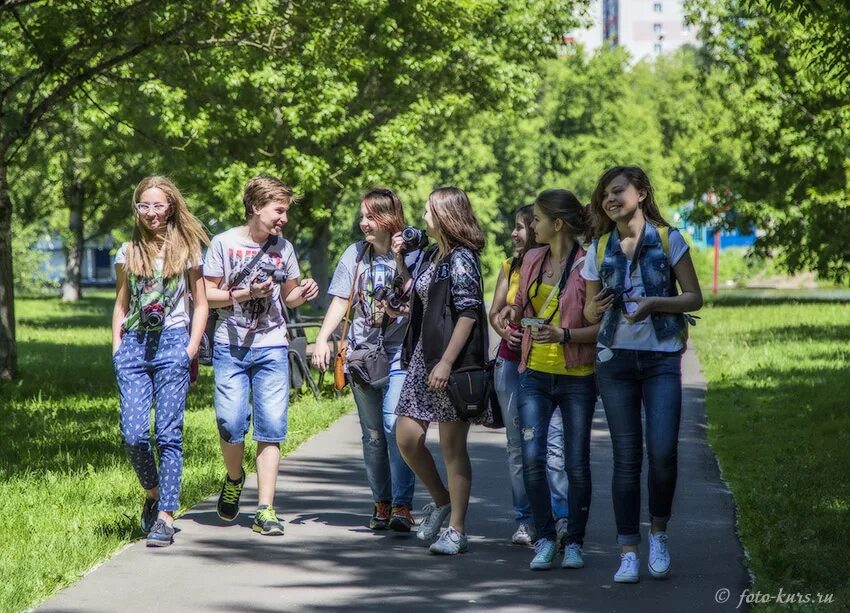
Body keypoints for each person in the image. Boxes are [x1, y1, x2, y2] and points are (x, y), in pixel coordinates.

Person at [582, 166, 703, 583]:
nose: (610, 200)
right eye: (604, 196)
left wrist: (654, 303)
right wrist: (595, 309)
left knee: (664, 452)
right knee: (626, 459)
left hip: (661, 359)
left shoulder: (668, 239)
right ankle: (628, 549)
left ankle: (659, 533)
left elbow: (694, 295)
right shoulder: (597, 249)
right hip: (615, 359)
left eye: (618, 192)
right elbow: (587, 311)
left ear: (641, 193)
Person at [203, 175, 319, 536]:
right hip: (231, 345)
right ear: (256, 207)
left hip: (271, 344)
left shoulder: (284, 247)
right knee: (230, 422)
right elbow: (208, 295)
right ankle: (235, 478)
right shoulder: (223, 243)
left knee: (271, 426)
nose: (283, 218)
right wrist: (245, 292)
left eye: (286, 211)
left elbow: (289, 297)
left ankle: (266, 509)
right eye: (278, 210)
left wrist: (304, 292)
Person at [498, 189, 599, 570]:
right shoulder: (532, 259)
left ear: (557, 224)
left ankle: (574, 541)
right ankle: (544, 538)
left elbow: (600, 326)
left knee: (575, 464)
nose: (531, 226)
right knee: (532, 458)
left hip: (577, 376)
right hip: (534, 373)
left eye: (537, 219)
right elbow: (522, 307)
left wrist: (565, 335)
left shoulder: (588, 264)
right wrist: (511, 313)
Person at [312, 188, 420, 532]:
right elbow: (341, 300)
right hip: (362, 355)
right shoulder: (355, 255)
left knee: (393, 426)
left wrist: (402, 260)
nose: (363, 223)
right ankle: (382, 502)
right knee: (372, 434)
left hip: (401, 352)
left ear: (390, 219)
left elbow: (424, 301)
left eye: (370, 217)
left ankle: (403, 505)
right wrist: (322, 337)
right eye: (362, 216)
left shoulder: (414, 254)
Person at [112, 175, 209, 547]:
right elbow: (121, 304)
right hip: (134, 346)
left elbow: (200, 304)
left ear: (171, 207)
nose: (151, 213)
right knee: (134, 434)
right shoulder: (128, 251)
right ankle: (152, 492)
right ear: (136, 208)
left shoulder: (187, 250)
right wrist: (117, 348)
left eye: (158, 205)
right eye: (144, 205)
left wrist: (191, 348)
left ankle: (167, 514)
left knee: (168, 433)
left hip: (172, 345)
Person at [393, 186, 488, 555]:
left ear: (447, 215)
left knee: (452, 447)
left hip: (451, 361)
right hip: (423, 357)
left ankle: (457, 530)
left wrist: (447, 362)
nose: (423, 216)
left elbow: (468, 313)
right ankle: (442, 500)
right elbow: (410, 292)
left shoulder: (462, 258)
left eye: (429, 210)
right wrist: (402, 261)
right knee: (406, 436)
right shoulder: (435, 254)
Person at [488, 204, 570, 547]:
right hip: (510, 363)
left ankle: (560, 516)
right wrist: (505, 331)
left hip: (549, 364)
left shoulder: (565, 266)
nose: (515, 233)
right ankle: (525, 519)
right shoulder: (509, 267)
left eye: (522, 227)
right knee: (516, 447)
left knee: (552, 446)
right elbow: (495, 314)